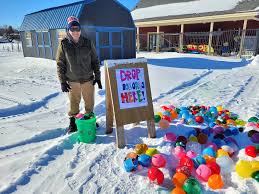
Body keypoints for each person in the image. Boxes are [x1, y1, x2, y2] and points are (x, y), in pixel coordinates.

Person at [56, 16, 102, 133]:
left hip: (88, 79)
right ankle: (73, 122)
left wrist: (98, 76)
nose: (75, 32)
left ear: (80, 30)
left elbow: (95, 60)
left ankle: (89, 119)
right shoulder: (64, 44)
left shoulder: (87, 42)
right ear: (68, 31)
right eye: (73, 29)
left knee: (89, 102)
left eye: (77, 29)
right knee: (74, 103)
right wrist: (62, 81)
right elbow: (60, 63)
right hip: (72, 80)